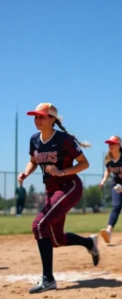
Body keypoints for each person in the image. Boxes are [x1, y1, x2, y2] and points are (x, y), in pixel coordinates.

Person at [18, 103, 100, 294]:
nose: (37, 120)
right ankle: (90, 243)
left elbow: (84, 164)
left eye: (42, 117)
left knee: (39, 225)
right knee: (56, 239)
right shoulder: (34, 140)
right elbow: (33, 160)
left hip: (69, 187)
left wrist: (62, 172)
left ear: (53, 119)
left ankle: (48, 280)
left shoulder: (64, 140)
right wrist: (26, 173)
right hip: (51, 190)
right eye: (35, 117)